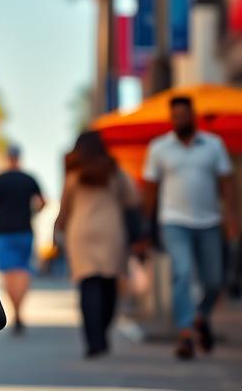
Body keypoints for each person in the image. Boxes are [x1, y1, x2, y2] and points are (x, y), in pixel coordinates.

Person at [142, 94, 239, 359]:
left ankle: (200, 317)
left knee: (214, 280)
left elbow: (227, 183)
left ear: (192, 115)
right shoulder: (159, 148)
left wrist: (232, 218)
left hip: (209, 221)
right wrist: (145, 226)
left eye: (183, 115)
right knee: (182, 272)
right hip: (173, 222)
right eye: (174, 116)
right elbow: (150, 190)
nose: (179, 120)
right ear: (170, 118)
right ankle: (185, 332)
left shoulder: (213, 146)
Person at [54, 131, 140, 358]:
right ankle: (102, 333)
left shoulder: (74, 174)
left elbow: (65, 208)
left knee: (88, 285)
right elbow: (133, 199)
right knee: (108, 284)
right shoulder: (115, 172)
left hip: (81, 234)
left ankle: (94, 341)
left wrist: (57, 229)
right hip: (111, 232)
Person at [0, 145, 45, 333]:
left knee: (9, 273)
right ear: (20, 158)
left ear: (8, 158)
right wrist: (32, 212)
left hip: (5, 232)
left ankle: (15, 311)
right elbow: (42, 202)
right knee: (23, 271)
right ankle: (20, 310)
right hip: (25, 230)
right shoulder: (29, 179)